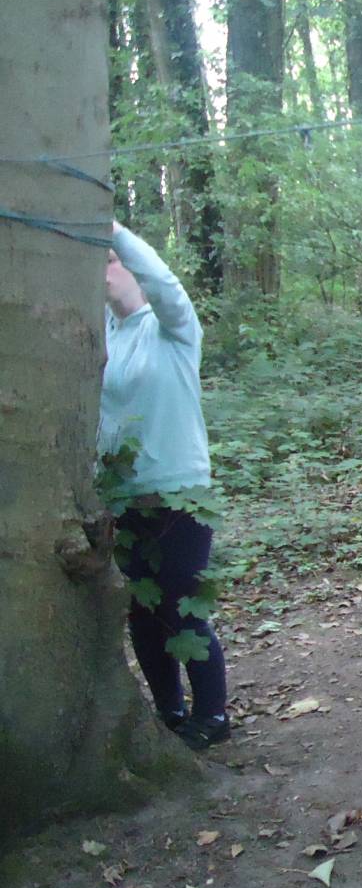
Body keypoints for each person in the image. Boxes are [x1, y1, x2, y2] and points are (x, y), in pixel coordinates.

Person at [100, 221, 230, 750]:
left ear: (132, 268)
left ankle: (213, 715)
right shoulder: (99, 338)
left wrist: (111, 229)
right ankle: (169, 712)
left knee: (184, 608)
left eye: (110, 261)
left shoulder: (172, 328)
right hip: (121, 498)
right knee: (143, 614)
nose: (102, 272)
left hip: (180, 495)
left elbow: (165, 283)